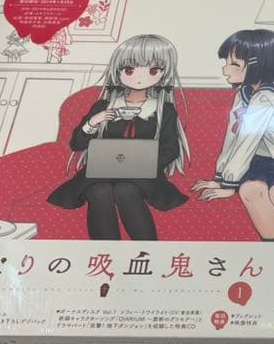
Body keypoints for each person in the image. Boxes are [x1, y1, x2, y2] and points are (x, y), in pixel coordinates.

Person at [48, 34, 189, 240]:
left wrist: (145, 165)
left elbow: (170, 149)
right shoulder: (103, 106)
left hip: (143, 174)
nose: (139, 77)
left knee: (126, 190)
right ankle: (106, 252)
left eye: (152, 70)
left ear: (163, 73)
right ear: (118, 71)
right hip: (100, 172)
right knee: (99, 192)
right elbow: (77, 144)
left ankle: (148, 250)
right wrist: (92, 123)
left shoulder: (163, 109)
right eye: (130, 69)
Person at [192, 29, 274, 243]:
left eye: (234, 64)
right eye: (226, 62)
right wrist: (220, 178)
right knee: (251, 191)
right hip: (261, 162)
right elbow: (233, 138)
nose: (225, 69)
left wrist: (229, 185)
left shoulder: (266, 98)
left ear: (259, 66)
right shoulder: (243, 95)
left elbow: (246, 142)